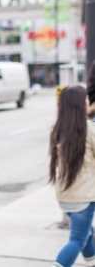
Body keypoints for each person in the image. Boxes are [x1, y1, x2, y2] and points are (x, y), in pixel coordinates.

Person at [50, 85, 95, 267]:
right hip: (84, 196)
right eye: (85, 100)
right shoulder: (88, 129)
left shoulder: (58, 129)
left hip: (65, 196)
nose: (88, 102)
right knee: (78, 239)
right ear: (79, 104)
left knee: (86, 233)